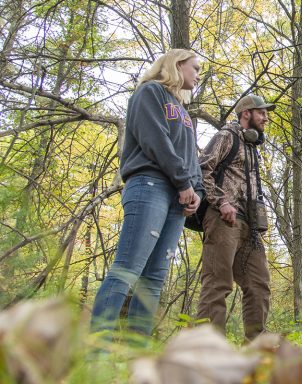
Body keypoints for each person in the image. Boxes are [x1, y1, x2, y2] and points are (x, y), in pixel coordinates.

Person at [91, 49, 203, 338]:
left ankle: (136, 358)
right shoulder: (150, 93)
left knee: (153, 280)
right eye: (195, 68)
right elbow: (155, 140)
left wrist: (196, 192)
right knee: (127, 270)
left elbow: (190, 157)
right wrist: (183, 183)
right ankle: (97, 352)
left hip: (179, 199)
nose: (198, 74)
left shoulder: (185, 113)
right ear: (177, 65)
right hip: (150, 185)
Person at [196, 94, 274, 341]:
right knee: (218, 284)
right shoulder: (226, 136)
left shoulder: (252, 147)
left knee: (259, 284)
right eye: (261, 112)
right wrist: (221, 202)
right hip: (224, 220)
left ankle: (256, 347)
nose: (266, 117)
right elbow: (201, 170)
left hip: (249, 227)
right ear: (246, 113)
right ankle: (206, 349)